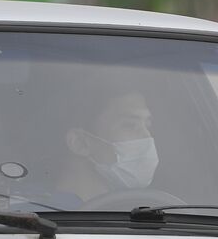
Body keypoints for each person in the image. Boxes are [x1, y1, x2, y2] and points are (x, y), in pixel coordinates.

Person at [50, 78, 158, 206]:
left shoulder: (133, 214)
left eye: (148, 125)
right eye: (129, 125)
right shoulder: (35, 215)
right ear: (80, 143)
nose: (147, 136)